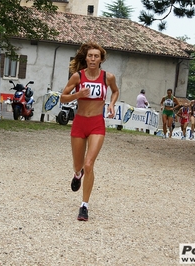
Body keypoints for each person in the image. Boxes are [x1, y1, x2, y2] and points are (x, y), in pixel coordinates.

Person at [60, 41, 119, 221]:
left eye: (96, 56)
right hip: (79, 122)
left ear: (101, 59)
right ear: (86, 58)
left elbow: (115, 91)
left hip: (96, 124)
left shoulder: (107, 77)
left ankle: (84, 206)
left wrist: (111, 104)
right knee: (78, 166)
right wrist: (78, 95)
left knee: (89, 164)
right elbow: (63, 98)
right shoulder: (77, 76)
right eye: (90, 56)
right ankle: (77, 175)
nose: (93, 59)